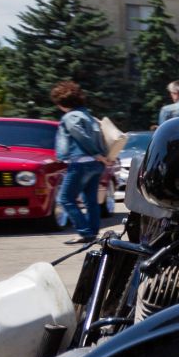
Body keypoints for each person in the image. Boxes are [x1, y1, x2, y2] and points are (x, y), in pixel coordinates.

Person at [50, 80, 107, 243]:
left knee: (65, 199)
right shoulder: (88, 116)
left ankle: (85, 232)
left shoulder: (70, 117)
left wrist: (95, 153)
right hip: (96, 164)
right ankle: (93, 233)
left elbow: (80, 135)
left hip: (81, 162)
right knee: (90, 200)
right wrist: (100, 156)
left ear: (61, 102)